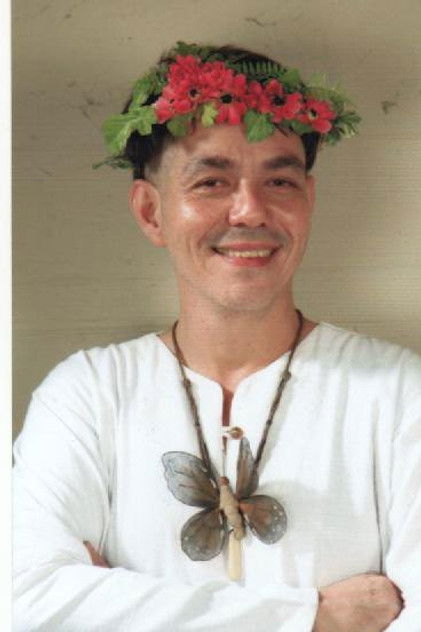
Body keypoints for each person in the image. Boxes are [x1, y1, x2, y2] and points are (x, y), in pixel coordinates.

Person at [13, 42, 420, 631]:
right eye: (211, 182)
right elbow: (28, 602)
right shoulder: (88, 394)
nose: (250, 211)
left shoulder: (399, 393)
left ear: (308, 201)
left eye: (279, 181)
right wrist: (316, 617)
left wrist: (115, 605)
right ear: (151, 212)